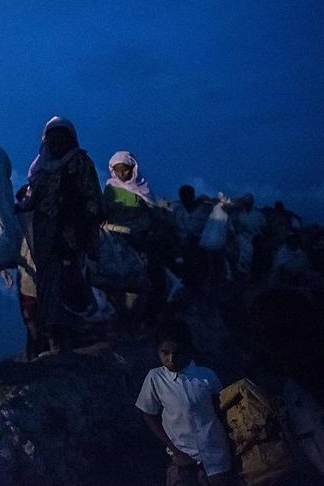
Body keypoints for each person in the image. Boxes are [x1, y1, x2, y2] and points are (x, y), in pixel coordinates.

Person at [15, 116, 104, 355]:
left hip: (70, 236)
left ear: (70, 139)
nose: (56, 142)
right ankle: (51, 341)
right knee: (47, 286)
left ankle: (69, 342)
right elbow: (34, 201)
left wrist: (82, 227)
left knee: (69, 282)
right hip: (45, 237)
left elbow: (93, 198)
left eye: (61, 137)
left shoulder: (79, 162)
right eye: (52, 137)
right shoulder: (42, 167)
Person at [136, 319, 233, 486]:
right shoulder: (155, 378)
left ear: (188, 349)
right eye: (165, 353)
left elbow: (222, 410)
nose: (171, 359)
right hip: (182, 459)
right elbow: (148, 414)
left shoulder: (206, 376)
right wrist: (174, 450)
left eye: (177, 353)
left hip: (216, 456)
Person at [103, 150, 160, 332]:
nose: (122, 174)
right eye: (118, 170)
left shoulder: (142, 188)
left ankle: (145, 319)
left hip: (139, 237)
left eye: (125, 170)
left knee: (144, 277)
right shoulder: (110, 188)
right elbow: (104, 210)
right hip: (117, 239)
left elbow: (153, 211)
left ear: (132, 169)